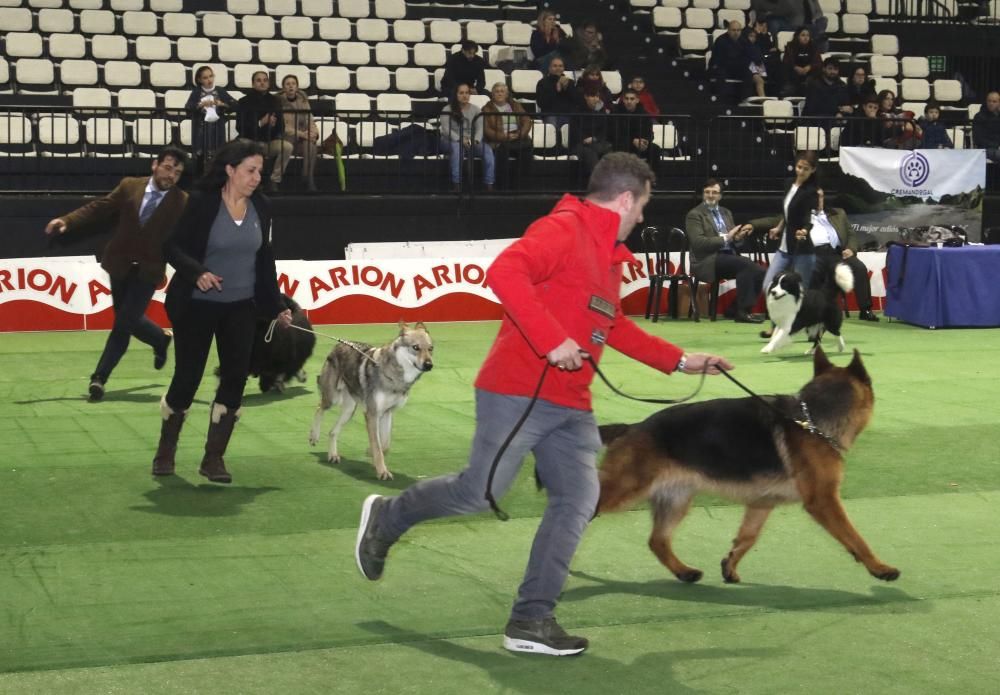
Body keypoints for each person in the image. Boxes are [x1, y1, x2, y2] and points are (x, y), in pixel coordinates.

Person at [354, 152, 734, 657]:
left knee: (577, 501)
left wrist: (682, 361)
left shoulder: (605, 253)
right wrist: (551, 338)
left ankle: (531, 619)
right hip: (518, 391)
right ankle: (387, 518)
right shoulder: (566, 229)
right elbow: (505, 272)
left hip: (570, 404)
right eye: (641, 206)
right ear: (625, 199)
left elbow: (610, 323)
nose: (642, 217)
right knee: (479, 493)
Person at [153, 140, 292, 483]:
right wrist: (196, 272)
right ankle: (165, 451)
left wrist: (276, 307)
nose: (257, 177)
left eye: (260, 170)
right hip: (197, 307)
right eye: (251, 170)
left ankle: (213, 458)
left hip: (241, 308)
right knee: (187, 379)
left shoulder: (262, 206)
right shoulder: (201, 204)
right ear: (230, 170)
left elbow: (264, 259)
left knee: (234, 378)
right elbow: (171, 246)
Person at [44, 148, 189, 401]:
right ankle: (160, 338)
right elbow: (100, 207)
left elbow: (193, 234)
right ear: (155, 165)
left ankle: (99, 378)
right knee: (127, 318)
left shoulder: (182, 201)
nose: (171, 175)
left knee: (122, 324)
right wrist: (68, 220)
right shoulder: (129, 186)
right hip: (119, 263)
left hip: (149, 270)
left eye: (177, 173)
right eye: (168, 168)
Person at [687, 178, 766, 323]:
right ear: (703, 194)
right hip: (707, 260)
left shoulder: (726, 212)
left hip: (728, 257)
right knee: (746, 264)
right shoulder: (695, 214)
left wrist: (737, 237)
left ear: (720, 196)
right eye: (707, 192)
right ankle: (743, 311)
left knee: (761, 272)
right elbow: (698, 243)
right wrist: (726, 238)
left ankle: (734, 310)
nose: (711, 195)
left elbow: (733, 240)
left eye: (714, 192)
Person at [811, 197, 880, 321]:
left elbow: (851, 234)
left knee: (859, 268)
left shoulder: (838, 213)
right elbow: (778, 221)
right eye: (815, 197)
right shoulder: (802, 215)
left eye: (820, 197)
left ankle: (865, 310)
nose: (818, 200)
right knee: (813, 271)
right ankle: (816, 313)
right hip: (815, 254)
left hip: (838, 254)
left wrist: (851, 249)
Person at [762, 150, 820, 292]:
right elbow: (787, 212)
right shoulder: (788, 183)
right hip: (784, 246)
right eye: (799, 167)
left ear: (813, 170)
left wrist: (805, 230)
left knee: (800, 292)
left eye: (806, 169)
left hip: (802, 248)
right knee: (767, 286)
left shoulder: (812, 191)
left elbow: (810, 217)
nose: (801, 171)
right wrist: (779, 227)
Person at [236, 71, 294, 193]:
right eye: (259, 80)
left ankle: (274, 180)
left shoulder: (275, 101)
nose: (262, 83)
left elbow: (281, 127)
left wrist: (273, 125)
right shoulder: (244, 102)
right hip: (250, 141)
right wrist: (260, 123)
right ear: (253, 84)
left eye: (265, 80)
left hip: (269, 141)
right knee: (250, 145)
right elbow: (240, 127)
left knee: (287, 147)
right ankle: (252, 181)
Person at [440, 83, 495, 192]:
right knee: (457, 149)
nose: (465, 95)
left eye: (467, 93)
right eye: (461, 93)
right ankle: (457, 184)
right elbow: (446, 129)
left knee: (487, 150)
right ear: (456, 95)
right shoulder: (447, 109)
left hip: (471, 141)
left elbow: (480, 128)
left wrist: (476, 140)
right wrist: (461, 139)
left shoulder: (476, 109)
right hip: (450, 140)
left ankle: (489, 184)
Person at [482, 82, 533, 189]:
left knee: (527, 149)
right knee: (502, 150)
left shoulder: (515, 105)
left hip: (517, 136)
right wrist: (504, 136)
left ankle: (520, 185)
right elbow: (487, 130)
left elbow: (527, 120)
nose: (499, 94)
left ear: (506, 94)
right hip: (499, 139)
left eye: (502, 91)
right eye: (497, 91)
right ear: (492, 94)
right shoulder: (487, 108)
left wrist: (520, 134)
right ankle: (503, 186)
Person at [185, 65, 235, 169]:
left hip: (217, 129)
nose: (209, 80)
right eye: (205, 78)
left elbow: (235, 105)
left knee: (217, 157)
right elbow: (188, 108)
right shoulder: (196, 92)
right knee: (200, 158)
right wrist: (200, 105)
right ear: (199, 80)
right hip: (201, 130)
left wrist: (222, 104)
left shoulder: (220, 91)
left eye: (211, 76)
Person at [279, 74, 319, 193]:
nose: (291, 86)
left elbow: (310, 120)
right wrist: (302, 134)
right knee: (302, 141)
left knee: (311, 145)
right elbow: (283, 127)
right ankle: (306, 179)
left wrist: (313, 133)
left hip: (301, 140)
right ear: (283, 87)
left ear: (297, 86)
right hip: (286, 140)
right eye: (288, 84)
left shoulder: (303, 101)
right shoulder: (279, 103)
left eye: (293, 84)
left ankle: (308, 177)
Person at [708, 21, 761, 100]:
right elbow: (717, 59)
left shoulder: (744, 41)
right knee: (720, 73)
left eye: (738, 30)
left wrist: (755, 69)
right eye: (733, 30)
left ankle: (745, 99)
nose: (736, 32)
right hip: (724, 67)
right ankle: (722, 99)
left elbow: (751, 55)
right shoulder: (721, 40)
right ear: (728, 30)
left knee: (748, 74)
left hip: (738, 68)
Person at [611, 88, 660, 168]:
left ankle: (651, 177)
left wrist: (645, 141)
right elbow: (615, 133)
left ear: (637, 100)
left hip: (640, 144)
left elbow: (650, 133)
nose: (629, 101)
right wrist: (633, 141)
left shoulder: (644, 114)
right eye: (626, 99)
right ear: (623, 100)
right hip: (622, 144)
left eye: (632, 99)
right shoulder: (616, 112)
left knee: (655, 148)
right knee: (621, 147)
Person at [570, 89, 613, 178]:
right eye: (593, 96)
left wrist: (595, 138)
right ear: (586, 97)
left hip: (597, 143)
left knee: (608, 148)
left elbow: (604, 131)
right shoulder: (576, 112)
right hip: (579, 144)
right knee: (590, 153)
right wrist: (585, 139)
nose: (596, 99)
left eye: (597, 96)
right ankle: (597, 181)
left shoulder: (601, 113)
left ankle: (609, 180)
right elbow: (574, 131)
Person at [801, 57, 853, 122]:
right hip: (814, 121)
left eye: (835, 69)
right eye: (830, 68)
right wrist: (839, 109)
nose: (833, 72)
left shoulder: (842, 85)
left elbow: (846, 106)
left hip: (835, 121)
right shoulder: (814, 84)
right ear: (824, 69)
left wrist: (842, 112)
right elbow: (816, 107)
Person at [535, 57, 577, 131]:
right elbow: (541, 102)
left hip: (567, 115)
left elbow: (576, 100)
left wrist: (567, 88)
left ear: (564, 68)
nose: (558, 68)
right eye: (555, 66)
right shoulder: (543, 83)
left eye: (560, 66)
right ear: (549, 68)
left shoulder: (570, 82)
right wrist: (556, 89)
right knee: (552, 124)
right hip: (550, 114)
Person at [781, 27, 822, 97]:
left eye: (807, 35)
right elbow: (786, 61)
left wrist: (810, 67)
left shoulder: (814, 47)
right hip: (793, 74)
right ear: (797, 36)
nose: (806, 37)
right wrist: (795, 67)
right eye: (803, 35)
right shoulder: (790, 47)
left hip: (810, 74)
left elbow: (818, 62)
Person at [971, 90, 1000, 161]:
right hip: (985, 149)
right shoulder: (979, 117)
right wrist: (996, 146)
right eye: (989, 101)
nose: (991, 103)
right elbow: (978, 139)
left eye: (994, 101)